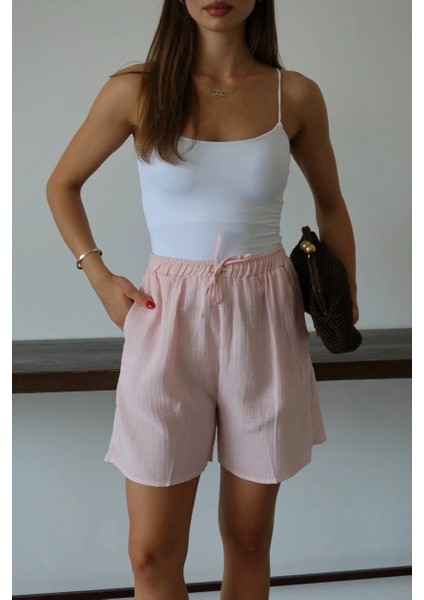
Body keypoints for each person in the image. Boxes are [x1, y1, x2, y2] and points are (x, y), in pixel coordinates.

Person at [46, 1, 359, 598]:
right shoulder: (136, 90)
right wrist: (98, 275)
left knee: (249, 540)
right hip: (166, 315)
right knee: (151, 552)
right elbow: (62, 184)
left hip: (264, 314)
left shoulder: (293, 95)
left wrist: (345, 294)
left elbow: (331, 203)